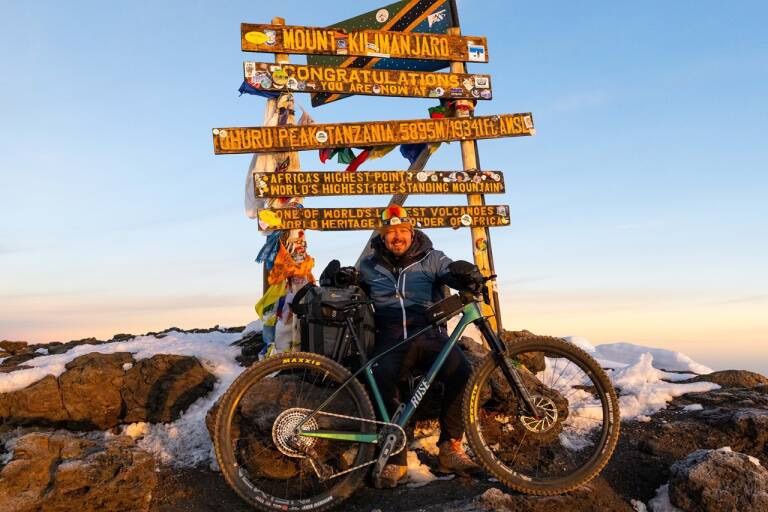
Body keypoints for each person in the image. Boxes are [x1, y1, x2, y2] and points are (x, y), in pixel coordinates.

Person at [357, 205, 484, 488]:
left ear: (411, 231)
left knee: (461, 371)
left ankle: (450, 448)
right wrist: (339, 279)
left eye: (402, 230)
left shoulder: (432, 258)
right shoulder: (369, 264)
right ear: (383, 236)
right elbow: (354, 291)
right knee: (383, 381)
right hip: (389, 337)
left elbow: (450, 273)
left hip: (429, 334)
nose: (397, 237)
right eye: (391, 232)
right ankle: (395, 459)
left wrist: (463, 273)